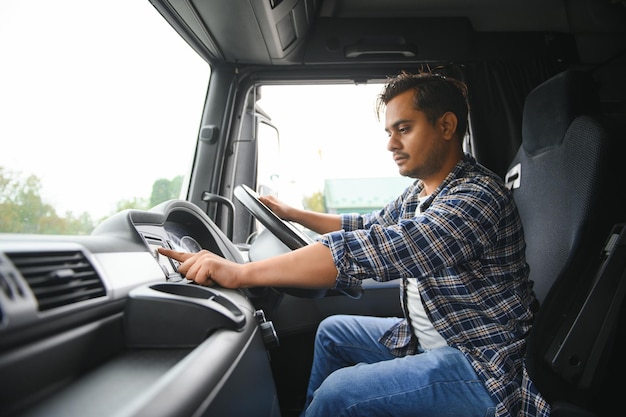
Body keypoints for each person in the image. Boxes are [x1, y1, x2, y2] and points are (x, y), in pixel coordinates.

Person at [158, 71, 550, 417]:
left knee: (340, 394)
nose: (391, 144)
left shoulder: (475, 197)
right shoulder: (422, 193)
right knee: (332, 332)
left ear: (446, 126)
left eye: (404, 128)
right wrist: (294, 214)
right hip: (430, 340)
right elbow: (368, 224)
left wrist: (241, 271)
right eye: (389, 132)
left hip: (481, 366)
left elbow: (379, 248)